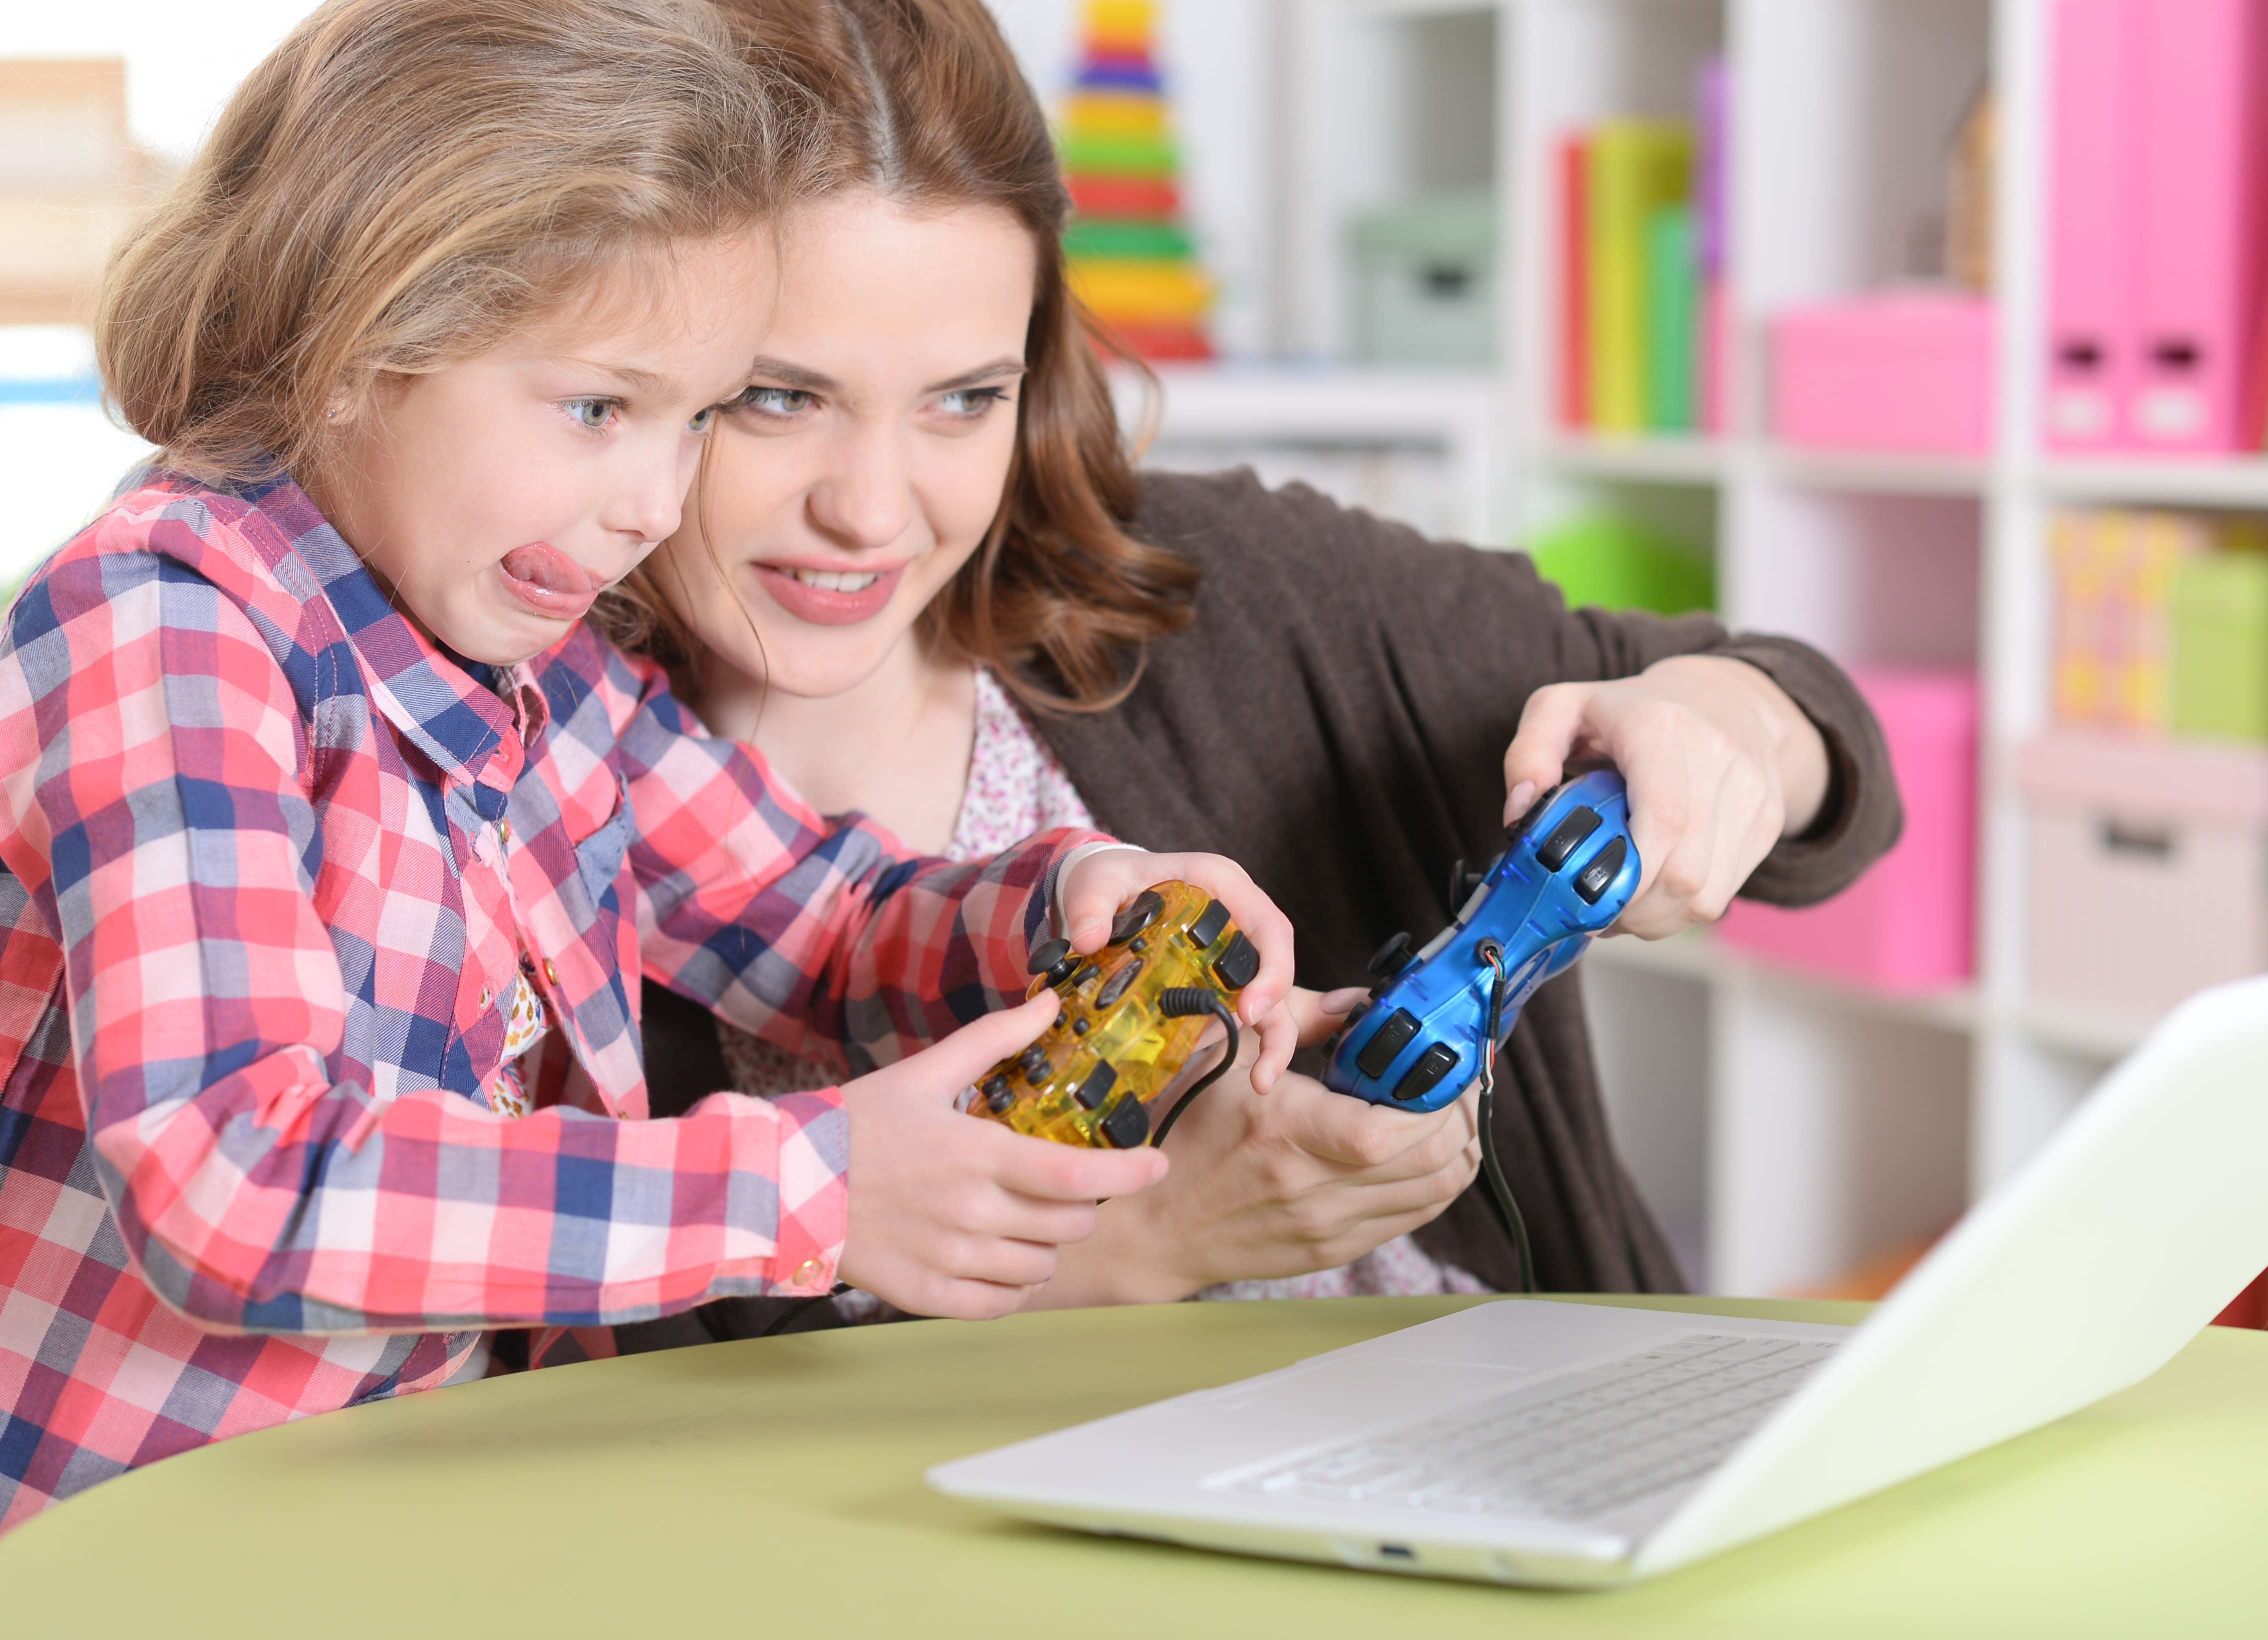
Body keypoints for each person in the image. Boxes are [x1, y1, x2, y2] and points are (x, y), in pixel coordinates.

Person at [0, 0, 1298, 1529]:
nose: (650, 504)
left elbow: (817, 921)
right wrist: (807, 1189)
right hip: (129, 1547)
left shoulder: (547, 668)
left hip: (418, 1515)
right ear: (354, 341)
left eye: (696, 419)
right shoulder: (164, 625)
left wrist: (1070, 897)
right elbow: (234, 1179)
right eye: (600, 409)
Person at [599, 0, 1901, 1348]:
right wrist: (1151, 1244)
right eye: (779, 397)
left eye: (963, 398)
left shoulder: (1227, 583)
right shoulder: (504, 799)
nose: (872, 512)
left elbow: (1814, 731)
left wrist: (1723, 728)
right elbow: (629, 1441)